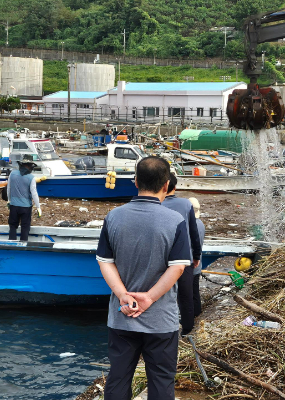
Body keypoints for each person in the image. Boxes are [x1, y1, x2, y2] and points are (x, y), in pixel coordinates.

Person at [96, 156, 191, 400]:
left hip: (122, 316)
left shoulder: (113, 217)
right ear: (166, 184)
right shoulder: (175, 221)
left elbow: (105, 261)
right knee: (160, 382)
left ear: (135, 181)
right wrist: (149, 297)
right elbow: (178, 268)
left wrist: (122, 295)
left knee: (118, 378)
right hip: (161, 320)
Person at [162, 173, 202, 335]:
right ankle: (187, 329)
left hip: (163, 256)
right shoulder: (186, 205)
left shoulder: (159, 203)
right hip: (185, 257)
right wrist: (197, 255)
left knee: (163, 294)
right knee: (186, 295)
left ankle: (164, 328)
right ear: (175, 187)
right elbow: (194, 233)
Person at [6, 158, 41, 241]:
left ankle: (11, 244)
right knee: (25, 227)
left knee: (13, 226)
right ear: (29, 166)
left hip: (14, 205)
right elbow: (34, 193)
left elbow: (9, 188)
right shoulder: (31, 178)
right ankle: (23, 245)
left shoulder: (12, 174)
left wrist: (9, 200)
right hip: (26, 207)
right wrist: (38, 207)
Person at [188, 197, 206, 319]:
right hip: (197, 264)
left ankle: (190, 316)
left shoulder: (190, 225)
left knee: (188, 294)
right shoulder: (201, 224)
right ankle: (197, 314)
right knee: (195, 292)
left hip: (190, 264)